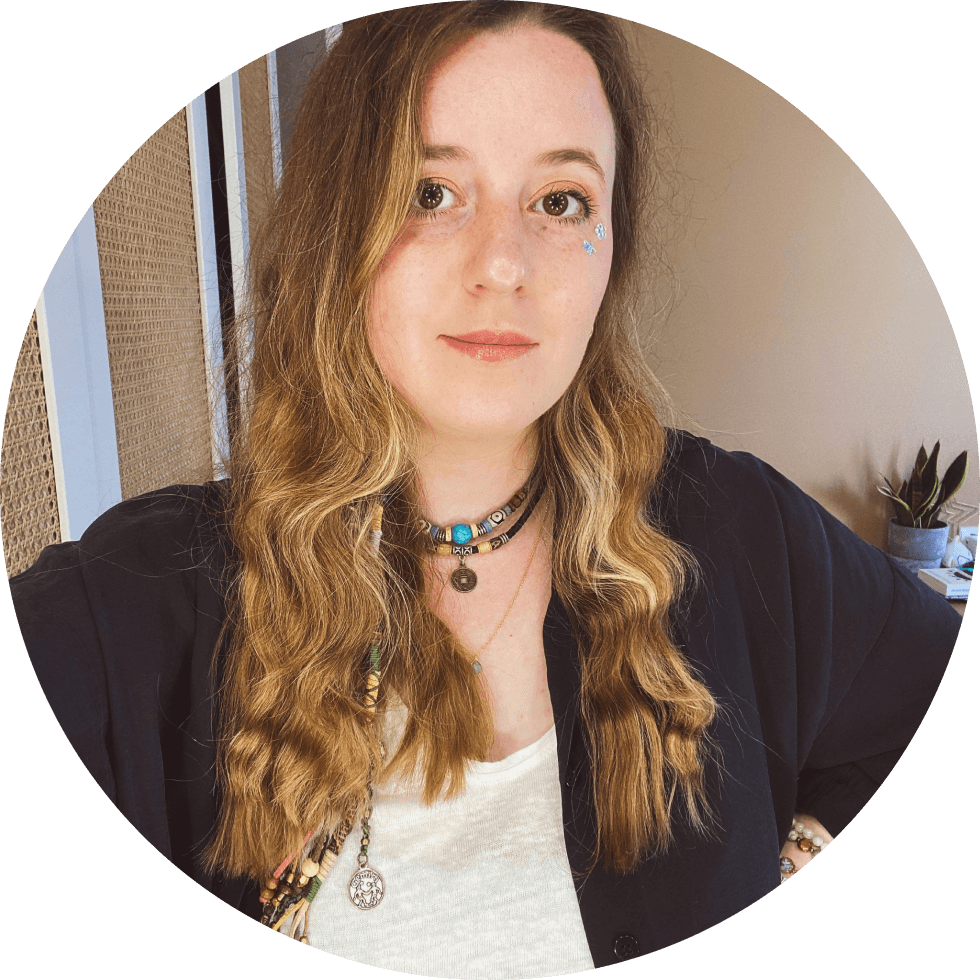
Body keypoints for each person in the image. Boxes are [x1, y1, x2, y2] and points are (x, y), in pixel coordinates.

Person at [9, 3, 961, 976]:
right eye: (430, 191)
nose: (504, 263)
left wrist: (797, 861)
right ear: (338, 229)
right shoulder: (142, 602)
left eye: (561, 201)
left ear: (611, 249)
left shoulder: (737, 528)